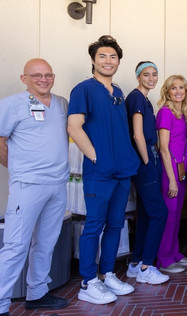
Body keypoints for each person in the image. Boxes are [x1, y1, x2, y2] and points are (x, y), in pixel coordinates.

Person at [68, 35, 139, 304]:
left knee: (116, 225)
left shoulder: (118, 92)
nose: (108, 61)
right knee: (94, 226)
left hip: (122, 171)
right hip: (100, 172)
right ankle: (88, 281)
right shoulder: (83, 89)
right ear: (93, 61)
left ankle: (107, 273)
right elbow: (74, 127)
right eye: (102, 56)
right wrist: (97, 157)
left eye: (113, 57)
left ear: (119, 61)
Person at [0, 59, 69, 314]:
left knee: (46, 242)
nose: (43, 79)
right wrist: (19, 168)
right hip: (27, 185)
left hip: (58, 184)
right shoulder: (11, 105)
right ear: (24, 78)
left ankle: (37, 293)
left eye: (48, 74)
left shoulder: (62, 103)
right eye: (36, 75)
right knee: (16, 246)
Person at [125, 61, 169, 284]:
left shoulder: (144, 99)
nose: (151, 78)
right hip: (145, 161)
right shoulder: (136, 98)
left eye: (155, 74)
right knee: (159, 213)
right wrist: (146, 162)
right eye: (146, 74)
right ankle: (146, 266)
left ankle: (136, 262)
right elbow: (138, 135)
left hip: (149, 160)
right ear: (138, 76)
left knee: (145, 214)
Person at [155, 75, 187, 273]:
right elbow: (163, 148)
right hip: (169, 171)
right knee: (169, 215)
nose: (178, 91)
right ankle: (164, 259)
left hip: (182, 170)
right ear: (167, 91)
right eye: (174, 88)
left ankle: (175, 253)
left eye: (182, 87)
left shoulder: (184, 113)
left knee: (177, 215)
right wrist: (171, 179)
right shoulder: (165, 112)